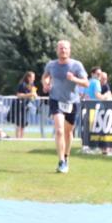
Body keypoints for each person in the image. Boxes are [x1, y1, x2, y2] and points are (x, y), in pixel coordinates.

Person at [43, 40, 89, 174]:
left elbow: (86, 83)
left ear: (69, 50)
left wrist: (74, 79)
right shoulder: (51, 65)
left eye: (66, 48)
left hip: (72, 102)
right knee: (59, 131)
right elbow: (45, 76)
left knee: (69, 132)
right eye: (61, 48)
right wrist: (46, 84)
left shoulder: (76, 65)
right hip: (55, 99)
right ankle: (61, 161)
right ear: (57, 50)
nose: (63, 50)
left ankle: (66, 157)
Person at [10, 71, 38, 139]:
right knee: (19, 123)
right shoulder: (22, 84)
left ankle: (21, 138)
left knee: (24, 123)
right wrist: (30, 94)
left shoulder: (32, 85)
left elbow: (34, 95)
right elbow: (19, 95)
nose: (34, 79)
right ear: (28, 77)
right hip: (19, 105)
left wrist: (34, 95)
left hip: (27, 105)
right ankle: (17, 137)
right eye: (32, 77)